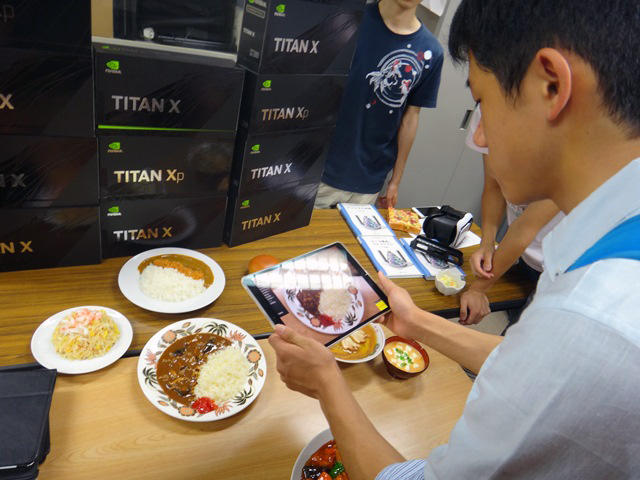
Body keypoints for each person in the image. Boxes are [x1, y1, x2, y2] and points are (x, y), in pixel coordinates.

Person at [270, 1, 640, 478]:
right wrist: (416, 321)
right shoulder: (606, 244)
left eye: (482, 102)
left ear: (551, 85)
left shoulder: (590, 322)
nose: (479, 137)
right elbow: (524, 365)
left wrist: (327, 385)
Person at [314, 0, 444, 209]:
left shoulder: (431, 51)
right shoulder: (348, 20)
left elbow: (411, 118)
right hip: (320, 168)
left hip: (369, 180)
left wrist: (395, 180)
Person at [459, 107, 564, 325]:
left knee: (520, 335)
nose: (478, 139)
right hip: (527, 255)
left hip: (561, 271)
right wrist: (487, 243)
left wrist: (478, 289)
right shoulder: (489, 107)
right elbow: (493, 186)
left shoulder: (565, 136)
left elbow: (526, 227)